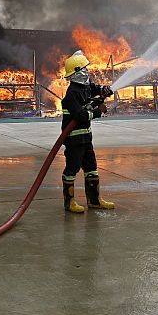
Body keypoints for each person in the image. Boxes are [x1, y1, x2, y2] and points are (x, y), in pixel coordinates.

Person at [60, 50, 115, 213]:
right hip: (74, 140)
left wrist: (104, 89)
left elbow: (94, 88)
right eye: (84, 68)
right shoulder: (72, 93)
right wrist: (98, 111)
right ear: (76, 72)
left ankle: (94, 201)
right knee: (72, 169)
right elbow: (81, 116)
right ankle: (69, 203)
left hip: (86, 138)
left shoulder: (84, 87)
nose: (86, 71)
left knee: (91, 168)